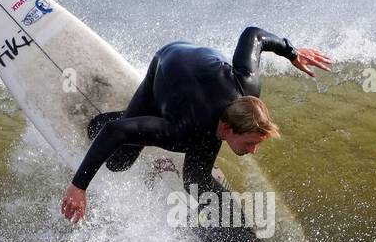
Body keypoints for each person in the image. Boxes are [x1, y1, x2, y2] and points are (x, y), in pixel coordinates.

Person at [60, 27, 332, 223]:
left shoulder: (248, 87)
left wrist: (292, 52)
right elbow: (114, 132)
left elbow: (253, 35)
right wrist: (78, 187)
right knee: (119, 161)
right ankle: (109, 113)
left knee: (196, 180)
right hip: (167, 64)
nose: (253, 151)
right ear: (226, 129)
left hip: (200, 64)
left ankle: (238, 235)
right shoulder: (180, 131)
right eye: (250, 143)